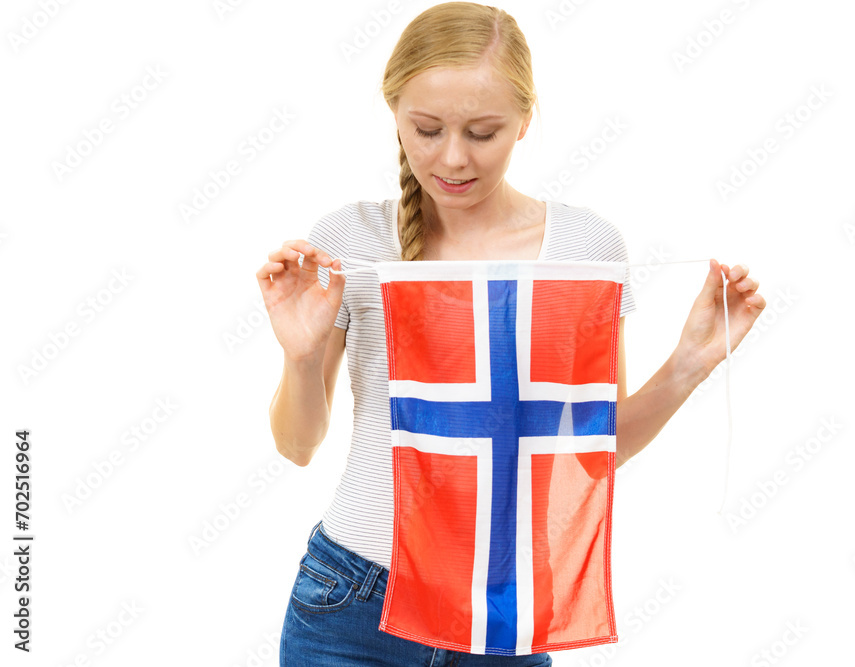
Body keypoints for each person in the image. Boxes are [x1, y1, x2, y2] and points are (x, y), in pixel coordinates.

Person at [257, 2, 766, 665]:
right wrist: (300, 358)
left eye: (483, 132)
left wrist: (689, 364)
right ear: (394, 114)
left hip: (504, 613)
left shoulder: (583, 246)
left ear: (526, 121)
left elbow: (591, 448)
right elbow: (298, 447)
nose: (453, 158)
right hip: (352, 606)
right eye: (428, 129)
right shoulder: (350, 240)